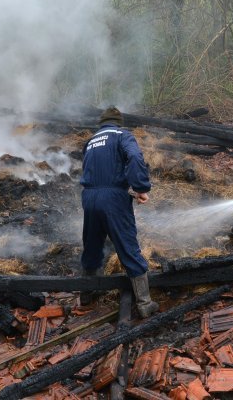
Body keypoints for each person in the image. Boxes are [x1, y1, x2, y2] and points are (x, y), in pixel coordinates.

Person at [80, 106, 159, 318]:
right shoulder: (122, 135)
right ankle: (144, 303)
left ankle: (86, 295)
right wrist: (140, 187)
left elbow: (92, 170)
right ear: (118, 122)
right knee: (127, 245)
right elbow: (134, 157)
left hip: (89, 197)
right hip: (113, 199)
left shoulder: (91, 141)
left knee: (92, 244)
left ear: (102, 123)